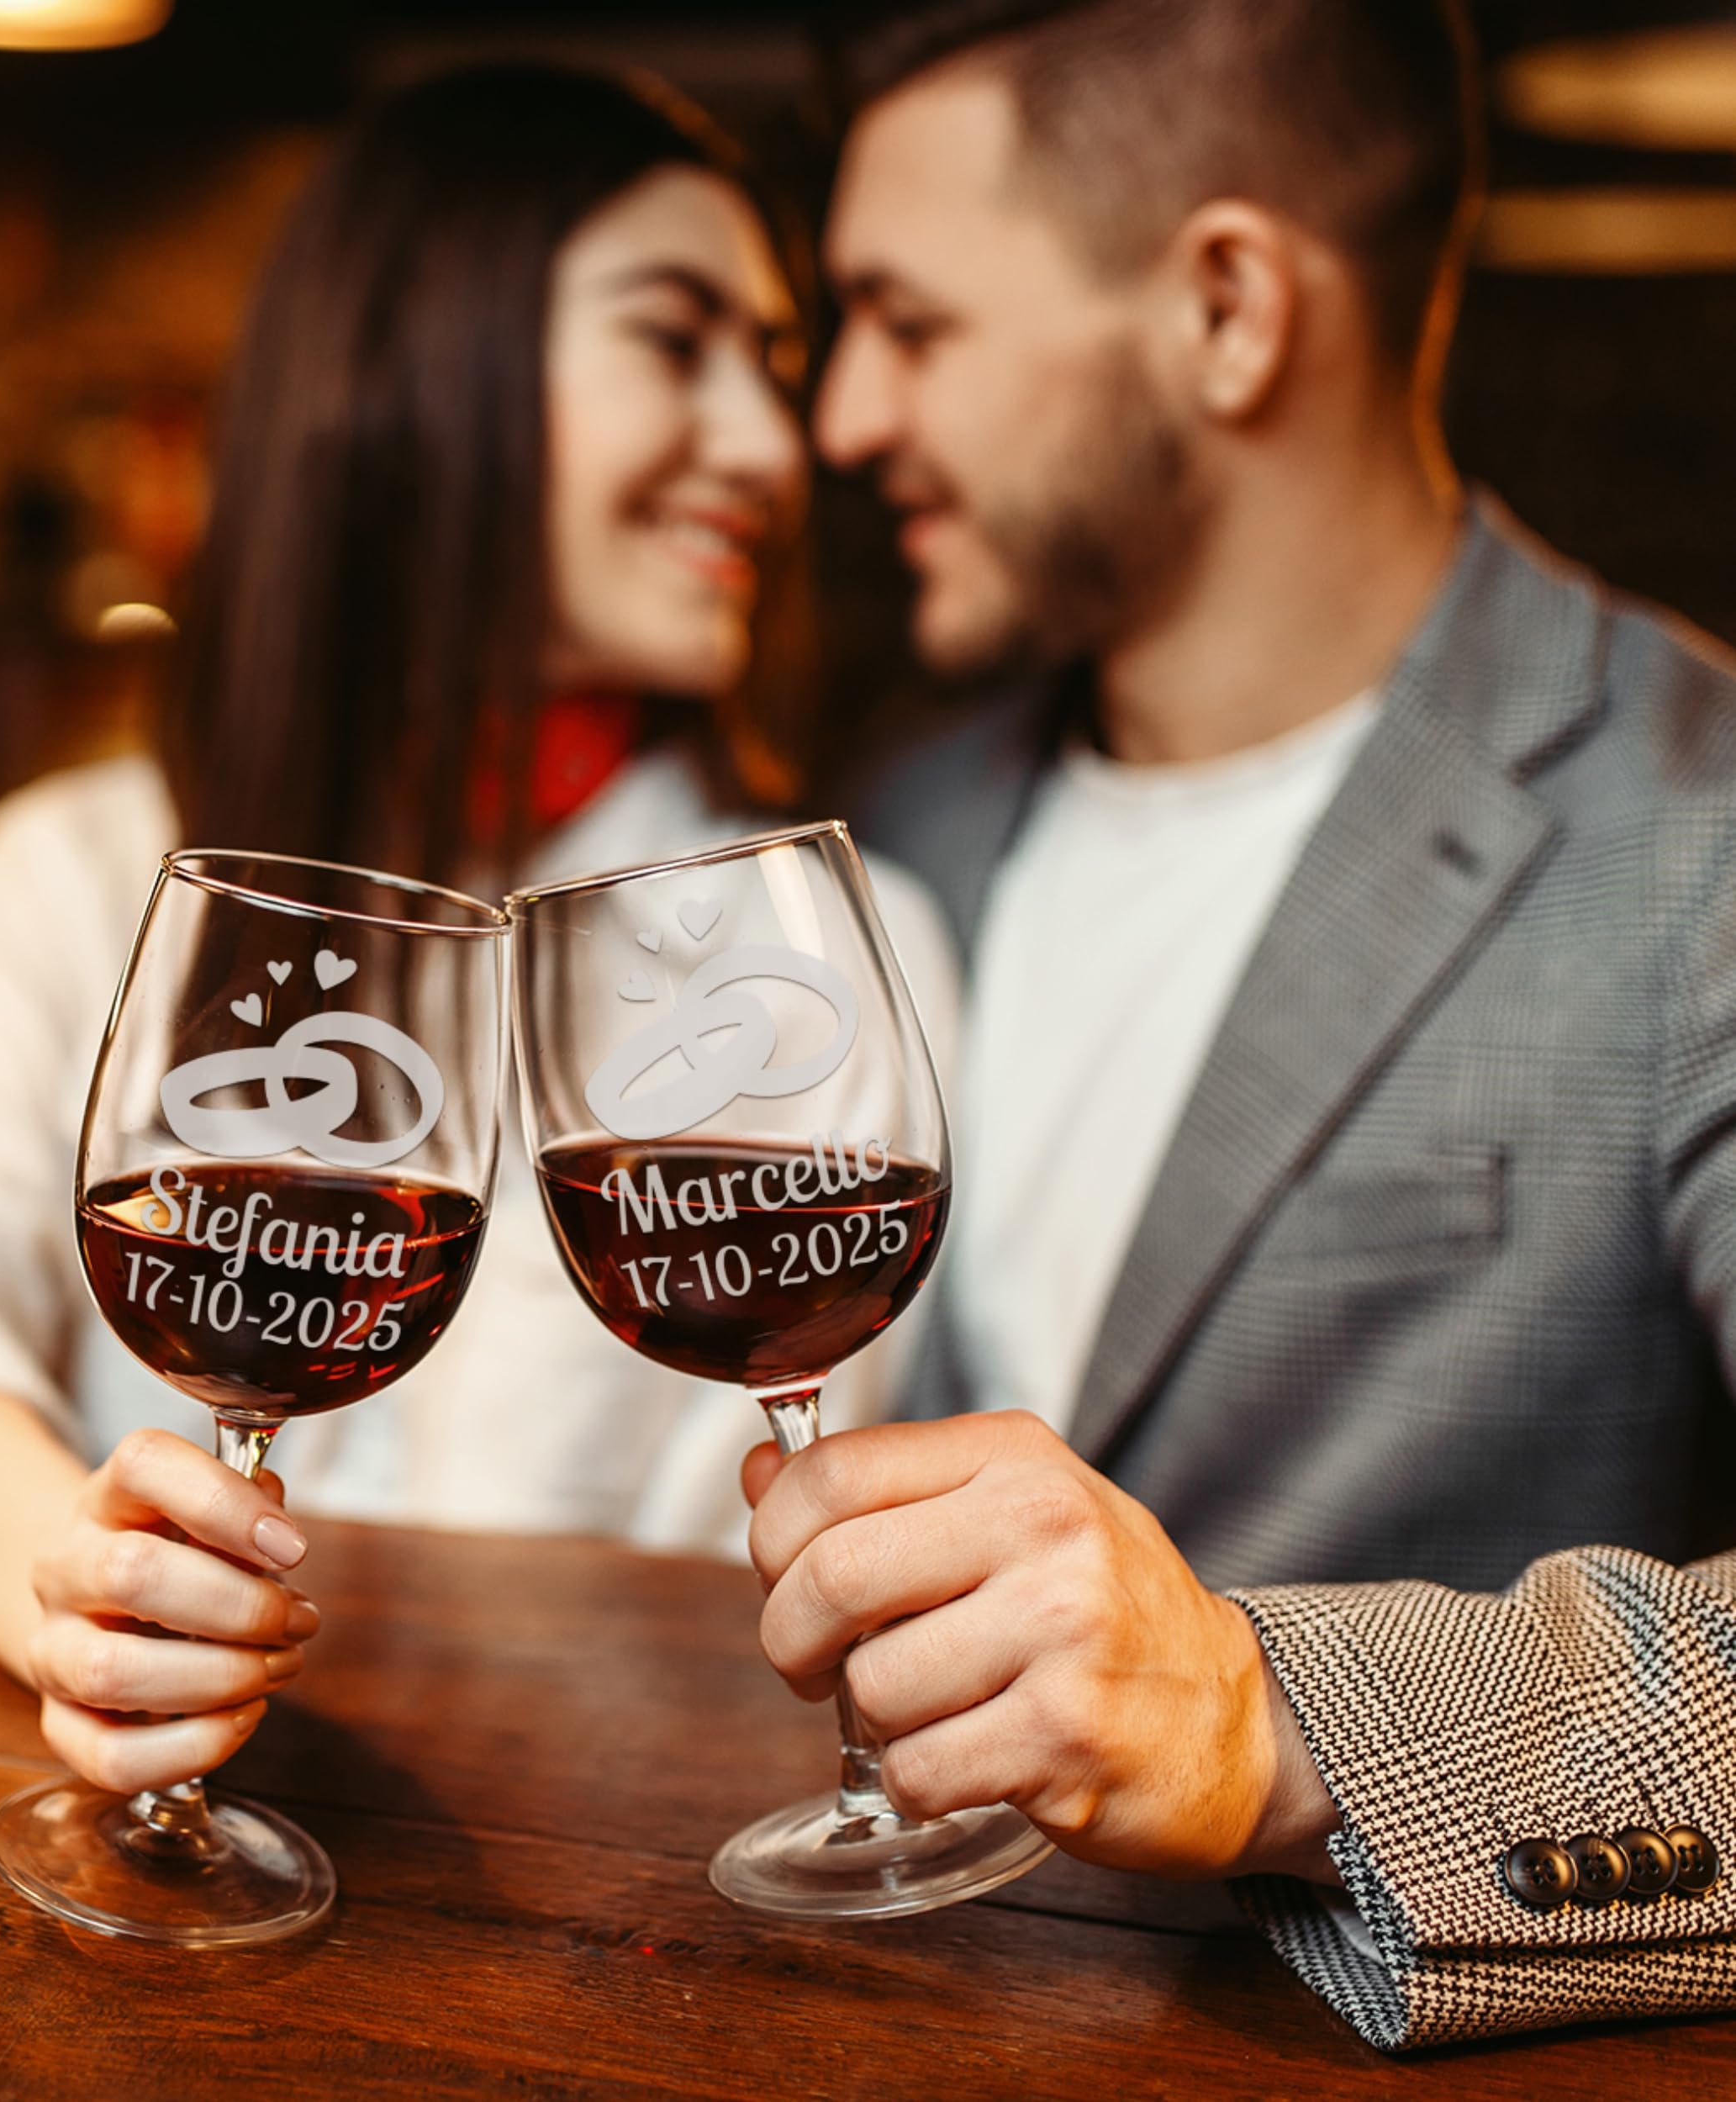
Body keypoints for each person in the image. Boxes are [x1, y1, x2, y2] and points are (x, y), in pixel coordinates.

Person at [0, 66, 952, 1804]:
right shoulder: (83, 873)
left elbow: (775, 1551)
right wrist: (76, 1597)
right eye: (675, 342)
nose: (767, 445)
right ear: (418, 369)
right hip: (150, 1838)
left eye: (774, 363)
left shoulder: (828, 957)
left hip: (612, 1865)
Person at [741, 0, 1736, 2051]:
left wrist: (1270, 1725)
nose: (837, 417)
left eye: (907, 323)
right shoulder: (892, 823)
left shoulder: (1696, 830)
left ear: (1223, 309)